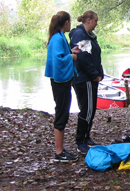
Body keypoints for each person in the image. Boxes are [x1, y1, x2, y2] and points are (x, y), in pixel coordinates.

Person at [45, 11, 80, 162]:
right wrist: (71, 57)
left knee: (63, 113)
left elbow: (60, 55)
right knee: (61, 114)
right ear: (66, 22)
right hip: (60, 83)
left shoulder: (58, 36)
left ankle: (61, 150)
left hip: (61, 82)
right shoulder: (57, 38)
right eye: (70, 22)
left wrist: (70, 51)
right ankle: (59, 152)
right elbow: (59, 60)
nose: (70, 24)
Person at [69, 10, 104, 154]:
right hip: (84, 78)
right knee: (87, 109)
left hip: (90, 77)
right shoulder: (79, 34)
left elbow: (94, 55)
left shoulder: (89, 35)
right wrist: (94, 74)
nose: (96, 24)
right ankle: (80, 140)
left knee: (91, 109)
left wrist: (99, 73)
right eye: (95, 21)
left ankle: (86, 137)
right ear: (88, 20)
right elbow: (83, 57)